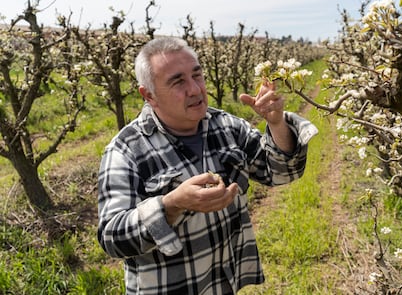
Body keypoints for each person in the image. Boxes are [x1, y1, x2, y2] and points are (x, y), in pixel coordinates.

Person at [97, 36, 318, 295]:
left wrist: (277, 124)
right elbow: (112, 238)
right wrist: (171, 205)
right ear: (149, 95)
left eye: (197, 75)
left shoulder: (226, 126)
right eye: (177, 82)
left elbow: (281, 172)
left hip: (223, 284)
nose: (194, 89)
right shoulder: (126, 150)